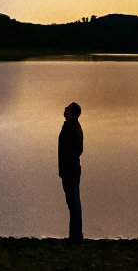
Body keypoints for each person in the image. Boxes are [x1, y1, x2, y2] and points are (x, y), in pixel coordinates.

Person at [58, 101, 84, 241]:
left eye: (67, 107)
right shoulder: (70, 126)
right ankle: (74, 234)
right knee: (72, 202)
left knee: (73, 202)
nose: (64, 108)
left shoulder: (72, 127)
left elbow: (77, 149)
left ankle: (76, 236)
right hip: (69, 169)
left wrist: (68, 164)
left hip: (71, 170)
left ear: (72, 113)